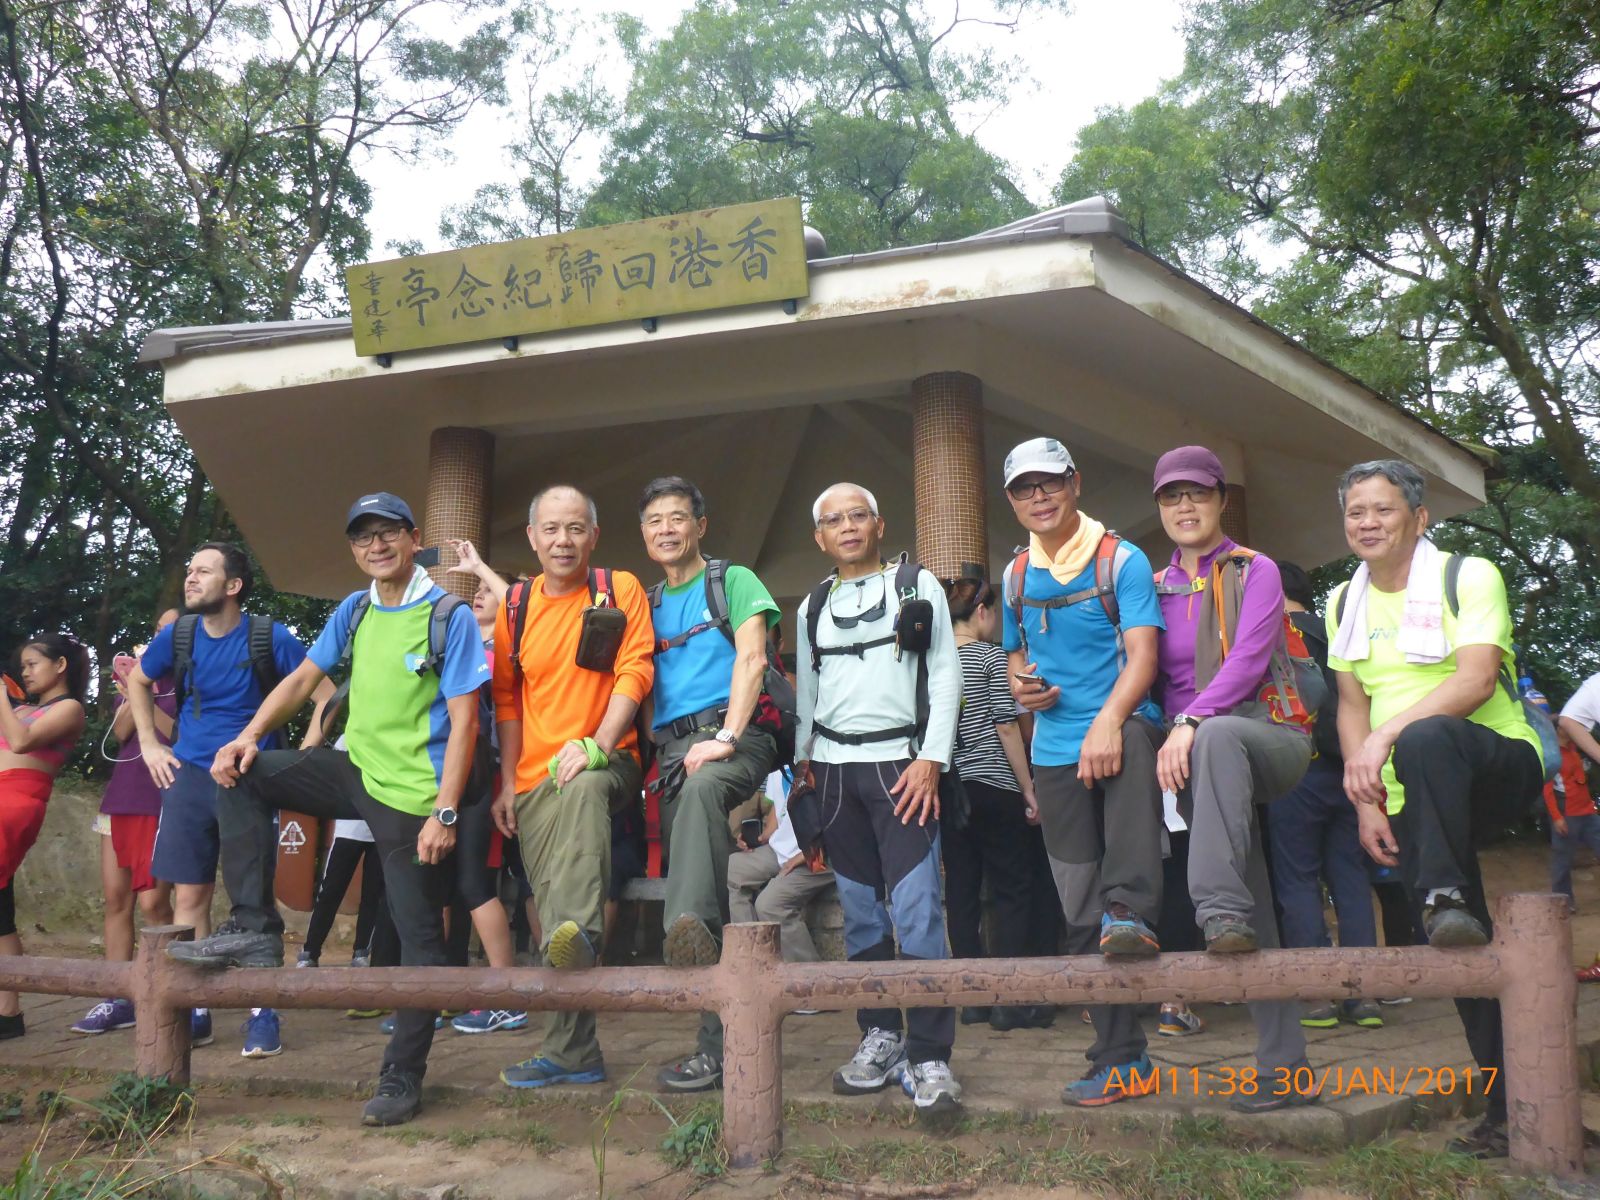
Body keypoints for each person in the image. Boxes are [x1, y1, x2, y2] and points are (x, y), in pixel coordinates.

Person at [168, 492, 488, 1127]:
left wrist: (445, 813)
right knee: (242, 773)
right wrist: (248, 737)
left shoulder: (447, 616)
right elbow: (299, 681)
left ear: (413, 538)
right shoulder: (355, 609)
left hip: (411, 797)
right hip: (352, 769)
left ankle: (402, 1076)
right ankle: (256, 928)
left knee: (421, 943)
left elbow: (466, 722)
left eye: (388, 532)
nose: (376, 545)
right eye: (363, 536)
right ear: (354, 549)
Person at [1326, 459, 1543, 1158]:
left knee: (1426, 736)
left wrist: (1387, 736)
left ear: (1419, 518)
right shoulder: (1342, 601)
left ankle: (1441, 892)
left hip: (1493, 763)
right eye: (1355, 511)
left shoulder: (1466, 575)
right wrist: (1366, 803)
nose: (1367, 522)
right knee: (1463, 949)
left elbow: (1476, 680)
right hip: (1412, 795)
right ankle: (1508, 1113)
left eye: (1383, 509)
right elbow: (1351, 706)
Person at [999, 438, 1167, 1106]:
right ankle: (1123, 1058)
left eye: (1050, 483)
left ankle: (1130, 909)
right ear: (1012, 501)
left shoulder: (1120, 559)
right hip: (1054, 751)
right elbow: (1015, 658)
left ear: (1074, 483)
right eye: (1024, 488)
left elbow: (1144, 656)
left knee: (1119, 913)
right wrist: (1025, 689)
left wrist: (1107, 722)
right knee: (1078, 909)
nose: (1038, 497)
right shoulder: (1016, 575)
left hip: (1125, 731)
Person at [1147, 445, 1313, 1113]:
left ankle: (1215, 908)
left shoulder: (1254, 569)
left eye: (1197, 493)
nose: (1184, 506)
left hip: (1266, 735)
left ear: (1220, 499)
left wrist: (1190, 720)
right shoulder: (1153, 588)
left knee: (1216, 736)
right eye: (1171, 496)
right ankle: (1287, 1067)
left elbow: (1246, 662)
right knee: (1253, 898)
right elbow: (1135, 669)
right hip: (1192, 754)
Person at [795, 482, 962, 1122]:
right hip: (835, 774)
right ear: (820, 537)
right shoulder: (813, 605)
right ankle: (881, 1034)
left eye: (857, 515)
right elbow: (808, 693)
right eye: (833, 520)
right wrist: (805, 771)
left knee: (918, 909)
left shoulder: (917, 587)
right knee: (862, 915)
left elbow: (944, 674)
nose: (847, 526)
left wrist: (932, 759)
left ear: (879, 524)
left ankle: (930, 1053)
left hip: (903, 766)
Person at [128, 542, 329, 1057]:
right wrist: (150, 744)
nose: (191, 578)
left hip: (248, 778)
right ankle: (197, 1011)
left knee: (253, 901)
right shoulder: (179, 635)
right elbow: (138, 679)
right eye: (189, 570)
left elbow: (324, 694)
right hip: (189, 775)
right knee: (188, 898)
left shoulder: (268, 636)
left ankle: (263, 1012)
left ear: (234, 585)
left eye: (204, 571)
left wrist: (301, 757)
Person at [491, 486, 653, 1090]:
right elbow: (508, 700)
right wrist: (508, 782)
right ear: (533, 538)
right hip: (536, 780)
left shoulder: (619, 589)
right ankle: (573, 1052)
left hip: (610, 763)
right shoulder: (515, 606)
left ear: (594, 535)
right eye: (552, 529)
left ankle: (585, 933)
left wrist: (596, 745)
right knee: (553, 913)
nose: (564, 541)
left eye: (576, 528)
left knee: (583, 794)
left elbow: (636, 668)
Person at [634, 477, 784, 1093]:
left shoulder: (733, 580)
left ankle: (683, 927)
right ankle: (716, 1048)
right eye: (654, 521)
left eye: (677, 518)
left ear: (700, 526)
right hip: (675, 754)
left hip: (737, 736)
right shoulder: (642, 602)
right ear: (643, 535)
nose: (666, 530)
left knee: (692, 897)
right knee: (705, 884)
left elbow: (752, 658)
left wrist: (725, 735)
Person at [1268, 563, 1382, 1030]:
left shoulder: (1273, 633)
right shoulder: (1340, 630)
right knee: (1350, 879)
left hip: (1297, 771)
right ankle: (1364, 994)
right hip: (1352, 769)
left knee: (1297, 879)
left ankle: (1317, 994)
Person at [940, 575, 1051, 1032]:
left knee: (962, 891)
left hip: (950, 790)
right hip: (995, 786)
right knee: (1011, 889)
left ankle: (974, 1000)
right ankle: (1010, 1001)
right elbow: (1007, 725)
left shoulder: (933, 662)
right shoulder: (989, 657)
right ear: (982, 612)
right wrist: (1028, 788)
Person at [73, 609, 180, 1035]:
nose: (162, 634)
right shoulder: (140, 676)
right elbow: (120, 734)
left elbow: (179, 735)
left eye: (172, 628)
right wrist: (135, 685)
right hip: (121, 798)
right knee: (116, 901)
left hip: (164, 799)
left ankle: (168, 993)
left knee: (155, 905)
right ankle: (116, 998)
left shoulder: (195, 681)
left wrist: (148, 695)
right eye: (158, 629)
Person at [437, 537, 522, 1036]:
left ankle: (506, 995)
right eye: (476, 590)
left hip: (481, 773)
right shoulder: (459, 644)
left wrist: (479, 567)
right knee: (439, 887)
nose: (478, 594)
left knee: (475, 884)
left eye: (486, 591)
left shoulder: (508, 647)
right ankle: (439, 997)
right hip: (440, 772)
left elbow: (518, 603)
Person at [0, 632, 90, 1039]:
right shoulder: (21, 708)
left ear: (60, 665)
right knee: (1, 910)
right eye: (22, 667)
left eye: (33, 664)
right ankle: (9, 1014)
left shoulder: (69, 708)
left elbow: (21, 743)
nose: (25, 672)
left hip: (16, 801)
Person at [727, 769, 836, 968]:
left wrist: (807, 853)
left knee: (769, 904)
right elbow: (779, 811)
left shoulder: (824, 761)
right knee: (734, 869)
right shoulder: (779, 766)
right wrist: (759, 838)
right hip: (784, 851)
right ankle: (753, 962)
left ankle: (809, 976)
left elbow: (841, 815)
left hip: (821, 855)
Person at [1543, 723, 1600, 911]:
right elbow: (1547, 790)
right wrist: (1557, 817)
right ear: (1559, 730)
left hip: (1587, 811)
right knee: (1563, 861)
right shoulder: (1552, 755)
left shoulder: (1575, 747)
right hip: (1567, 814)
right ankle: (1563, 902)